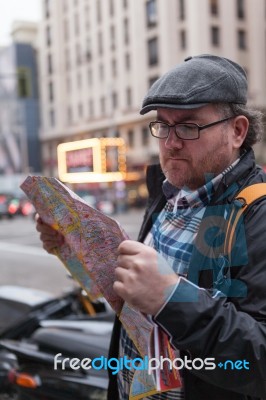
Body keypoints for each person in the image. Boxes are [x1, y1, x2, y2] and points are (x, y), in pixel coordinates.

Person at [36, 54, 266, 400]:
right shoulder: (167, 191)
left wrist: (171, 298)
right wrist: (71, 248)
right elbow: (133, 298)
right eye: (163, 125)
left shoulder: (254, 211)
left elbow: (259, 360)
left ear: (237, 131)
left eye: (188, 127)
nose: (170, 142)